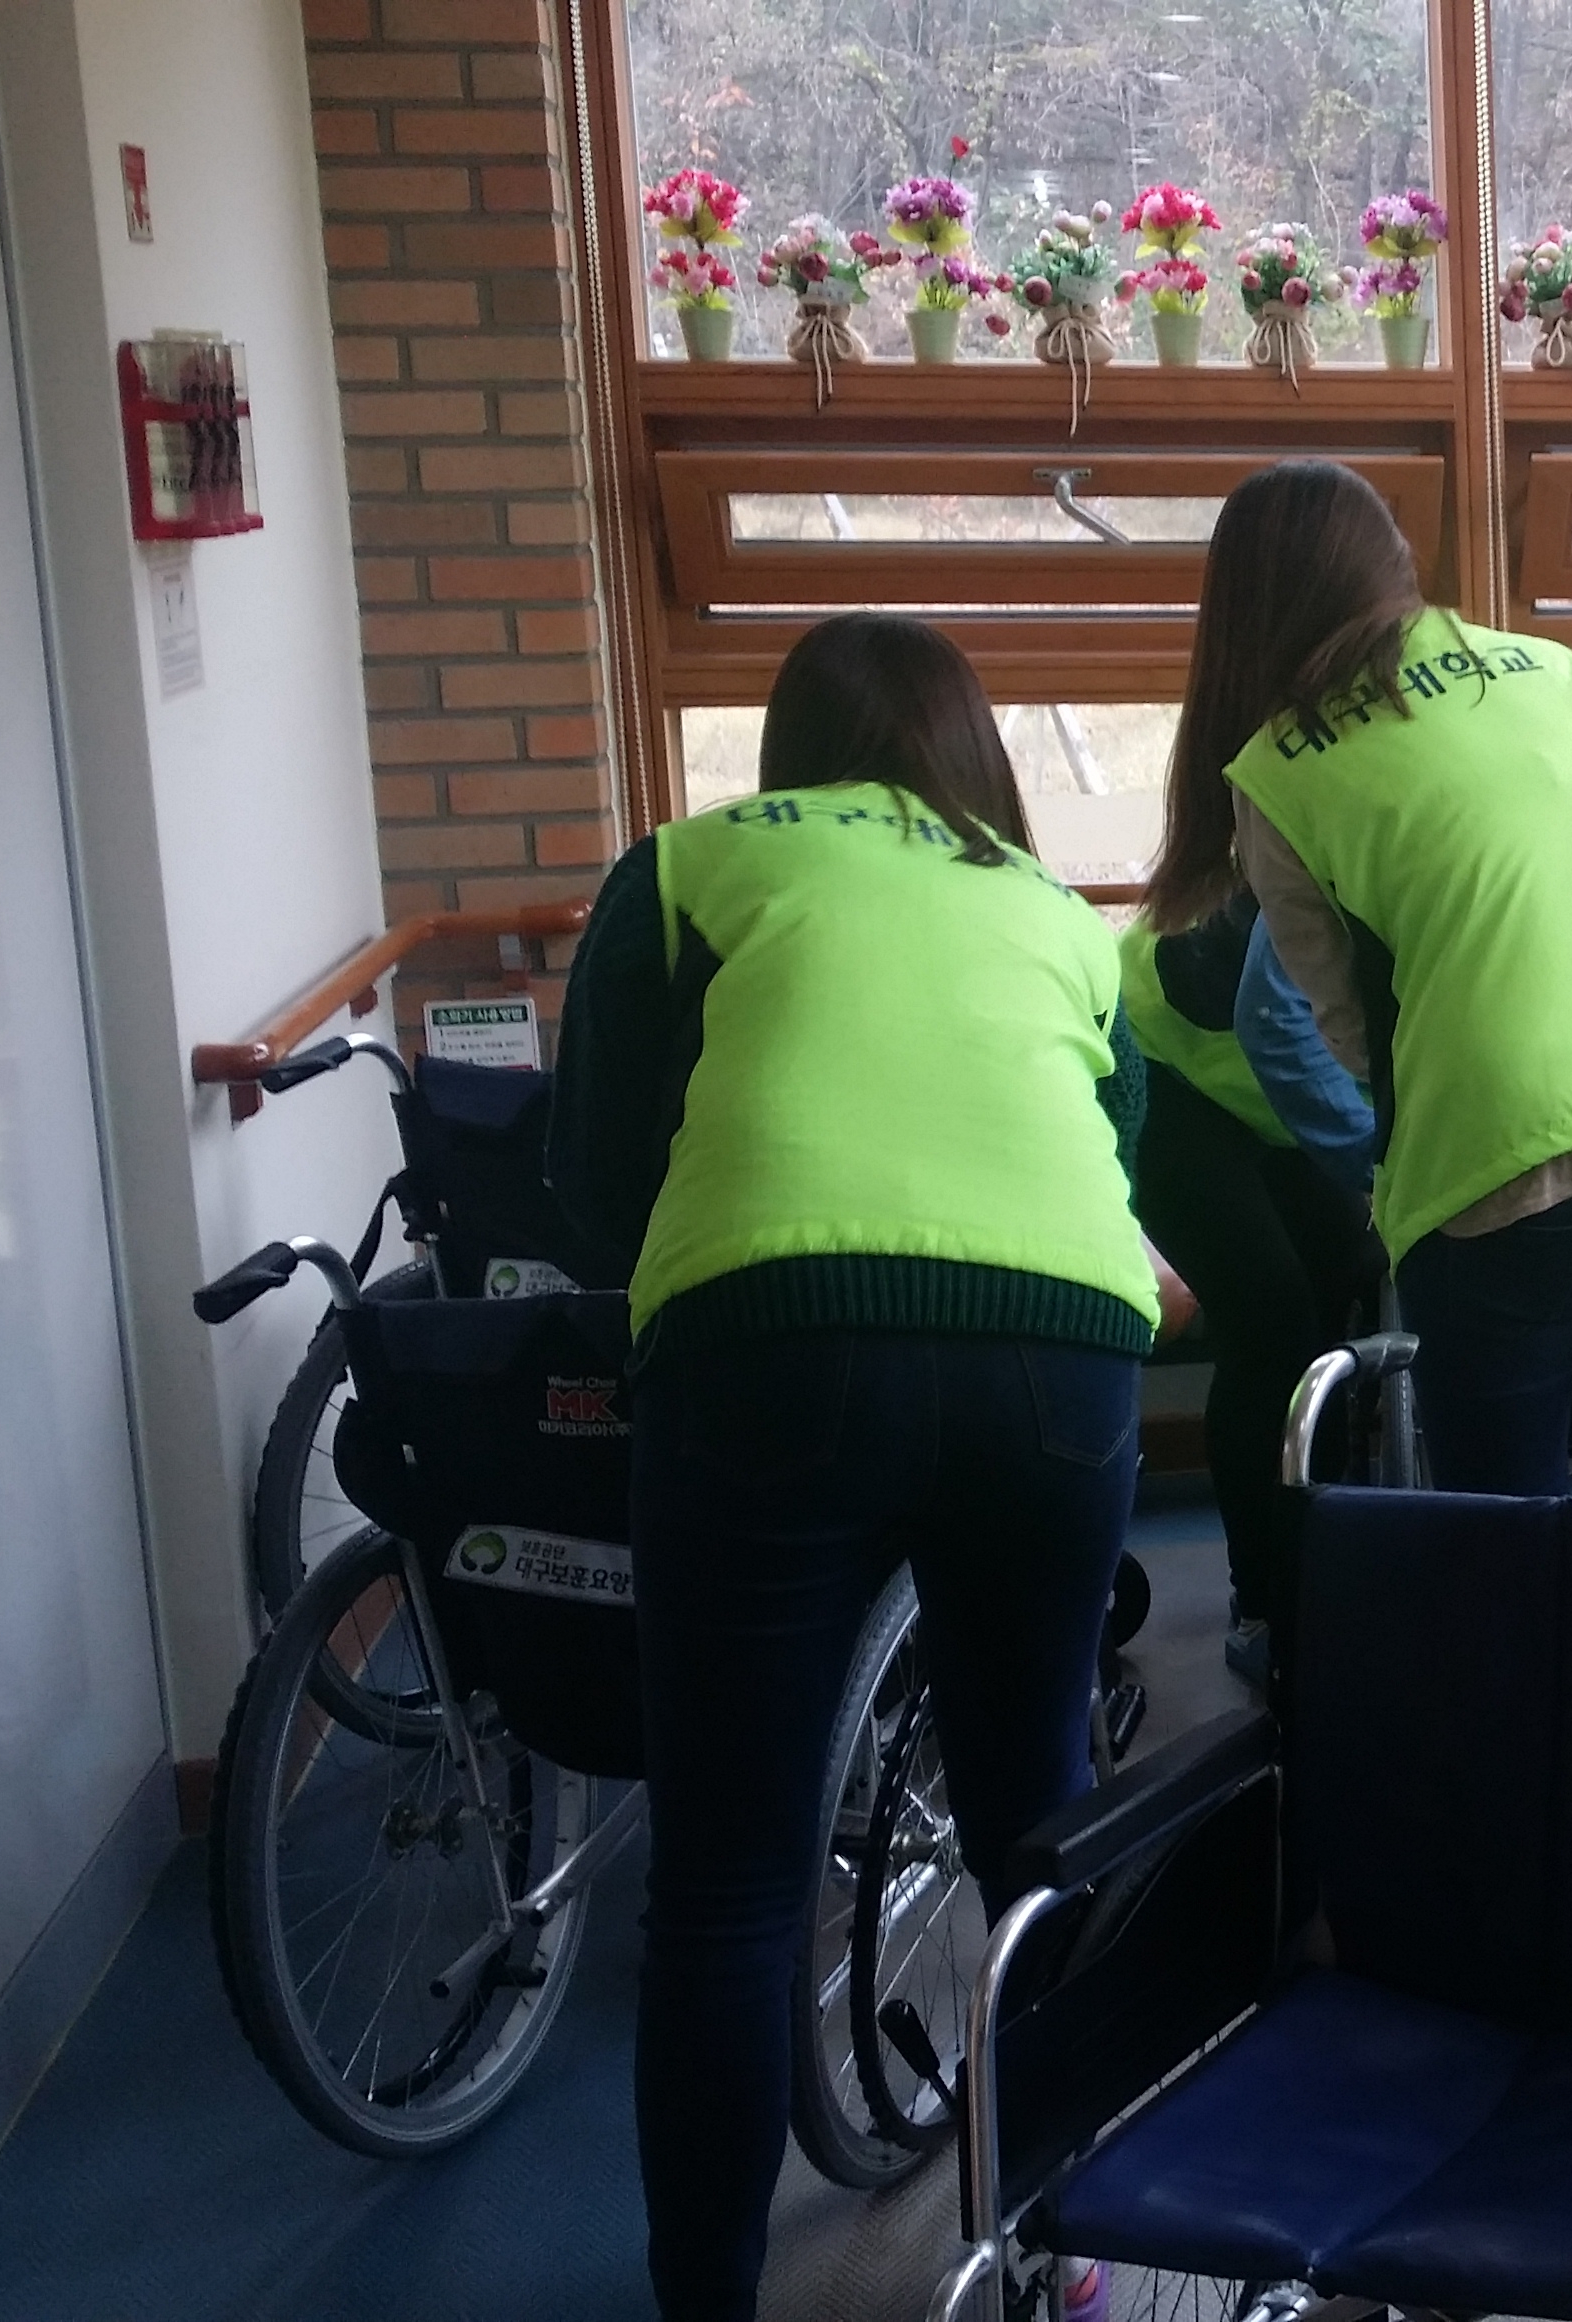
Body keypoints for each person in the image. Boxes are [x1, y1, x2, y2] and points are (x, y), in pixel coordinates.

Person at [547, 613, 1156, 2322]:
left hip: (767, 1344)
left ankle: (708, 2304)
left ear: (786, 750)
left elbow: (586, 1178)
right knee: (1035, 1821)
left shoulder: (687, 869)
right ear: (975, 754)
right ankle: (1061, 2243)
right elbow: (1109, 1154)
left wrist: (699, 1265)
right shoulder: (1058, 915)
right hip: (1057, 1351)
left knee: (731, 1882)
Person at [1149, 457, 1572, 1509]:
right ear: (1395, 562)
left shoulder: (1282, 767)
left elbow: (1347, 1030)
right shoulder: (1570, 675)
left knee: (1499, 1529)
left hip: (1501, 1163)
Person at [1119, 890, 1380, 1689]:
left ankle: (1324, 1563)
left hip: (1272, 1078)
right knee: (1270, 1322)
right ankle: (1264, 1600)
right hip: (1172, 1068)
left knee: (1340, 1292)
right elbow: (1282, 1035)